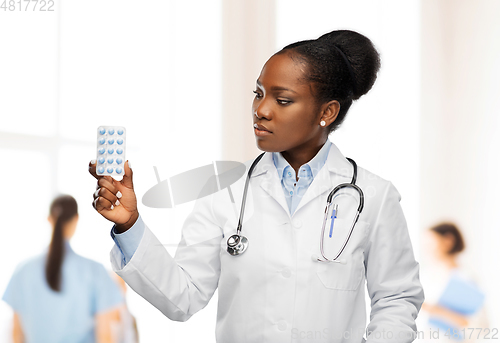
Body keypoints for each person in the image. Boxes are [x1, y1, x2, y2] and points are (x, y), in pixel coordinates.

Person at [88, 29, 424, 342]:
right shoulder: (224, 190)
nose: (260, 110)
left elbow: (397, 297)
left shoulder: (374, 197)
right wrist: (130, 225)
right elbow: (182, 297)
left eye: (283, 100)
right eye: (259, 93)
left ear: (328, 112)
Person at [2, 195, 124, 343]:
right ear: (76, 219)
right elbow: (104, 336)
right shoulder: (95, 272)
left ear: (49, 219)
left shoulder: (23, 271)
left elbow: (16, 334)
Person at [419, 222, 489, 342]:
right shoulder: (424, 276)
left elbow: (481, 327)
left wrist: (438, 311)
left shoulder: (466, 279)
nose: (425, 249)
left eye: (430, 243)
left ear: (448, 241)